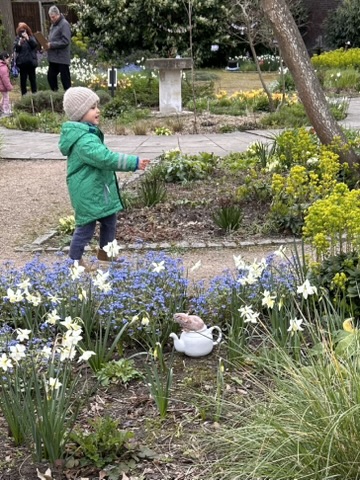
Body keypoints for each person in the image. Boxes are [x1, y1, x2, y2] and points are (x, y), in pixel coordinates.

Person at [58, 87, 150, 269]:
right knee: (86, 227)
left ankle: (107, 255)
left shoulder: (87, 134)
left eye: (97, 106)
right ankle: (73, 261)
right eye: (92, 107)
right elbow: (105, 158)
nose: (97, 110)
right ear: (80, 113)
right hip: (88, 193)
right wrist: (133, 162)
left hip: (98, 190)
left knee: (109, 220)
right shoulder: (84, 140)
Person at [46, 5, 71, 91]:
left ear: (58, 14)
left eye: (53, 17)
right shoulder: (53, 25)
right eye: (50, 17)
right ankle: (56, 95)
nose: (52, 19)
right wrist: (46, 45)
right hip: (54, 58)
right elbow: (52, 38)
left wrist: (51, 45)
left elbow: (65, 41)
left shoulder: (64, 24)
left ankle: (69, 98)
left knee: (65, 81)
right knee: (51, 77)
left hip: (62, 58)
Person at [14, 22, 38, 96]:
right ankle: (24, 96)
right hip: (22, 62)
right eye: (21, 30)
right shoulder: (17, 38)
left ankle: (35, 96)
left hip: (31, 62)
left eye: (24, 30)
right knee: (23, 81)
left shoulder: (31, 37)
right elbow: (16, 49)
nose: (22, 32)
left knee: (33, 80)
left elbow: (34, 45)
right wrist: (19, 43)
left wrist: (28, 38)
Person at [0, 52, 13, 117]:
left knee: (4, 96)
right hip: (3, 86)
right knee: (6, 98)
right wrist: (9, 87)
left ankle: (1, 107)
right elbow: (5, 79)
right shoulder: (3, 68)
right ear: (4, 59)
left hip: (1, 85)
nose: (9, 61)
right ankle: (6, 111)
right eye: (8, 60)